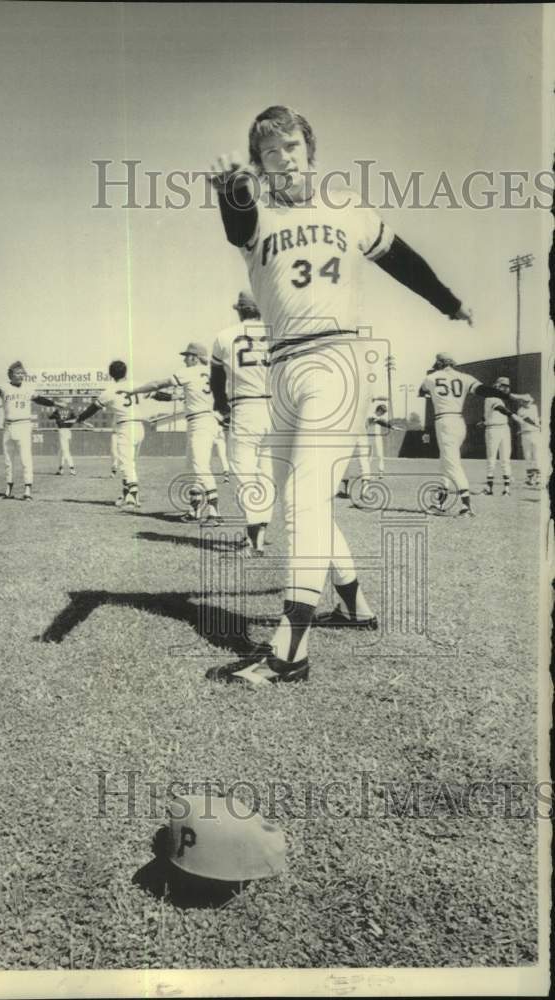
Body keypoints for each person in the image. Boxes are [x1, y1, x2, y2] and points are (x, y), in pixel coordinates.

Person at [209, 104, 475, 687]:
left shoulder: (348, 211)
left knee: (307, 497)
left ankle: (290, 651)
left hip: (336, 359)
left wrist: (448, 301)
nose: (284, 159)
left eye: (292, 147)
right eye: (270, 153)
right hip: (282, 370)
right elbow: (236, 222)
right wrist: (228, 186)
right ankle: (354, 603)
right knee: (292, 501)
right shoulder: (256, 220)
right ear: (260, 165)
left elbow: (403, 260)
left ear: (310, 152)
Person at [419, 354, 528, 515]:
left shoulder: (431, 377)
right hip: (459, 422)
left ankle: (466, 506)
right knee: (445, 463)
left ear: (438, 363)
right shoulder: (465, 377)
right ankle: (440, 504)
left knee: (452, 464)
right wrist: (513, 396)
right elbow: (486, 391)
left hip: (444, 422)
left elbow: (422, 392)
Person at [126, 343, 223, 524]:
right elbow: (180, 396)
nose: (184, 359)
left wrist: (135, 390)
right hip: (208, 420)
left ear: (195, 357)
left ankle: (214, 512)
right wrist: (157, 396)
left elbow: (158, 383)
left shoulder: (189, 372)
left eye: (187, 356)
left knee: (200, 467)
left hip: (200, 422)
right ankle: (194, 511)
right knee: (193, 468)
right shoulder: (212, 372)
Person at [210, 290, 273, 556]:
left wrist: (223, 409)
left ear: (239, 310)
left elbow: (216, 381)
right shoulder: (278, 331)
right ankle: (261, 535)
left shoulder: (224, 336)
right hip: (276, 408)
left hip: (245, 407)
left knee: (243, 471)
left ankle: (252, 538)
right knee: (268, 473)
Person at [74, 360, 150, 509]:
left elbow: (92, 408)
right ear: (125, 372)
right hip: (140, 427)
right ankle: (126, 493)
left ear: (111, 374)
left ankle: (132, 497)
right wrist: (175, 397)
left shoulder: (109, 390)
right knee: (130, 463)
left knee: (126, 463)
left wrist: (79, 419)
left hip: (126, 427)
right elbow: (156, 394)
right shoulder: (137, 384)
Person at [0, 361, 56, 501]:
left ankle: (27, 490)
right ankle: (8, 490)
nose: (20, 375)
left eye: (21, 373)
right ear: (11, 374)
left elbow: (40, 399)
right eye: (17, 373)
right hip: (8, 426)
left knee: (26, 458)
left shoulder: (28, 388)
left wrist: (55, 403)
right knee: (8, 460)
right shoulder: (4, 387)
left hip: (23, 425)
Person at [479, 376, 513, 495]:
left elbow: (489, 413)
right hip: (493, 429)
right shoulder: (491, 397)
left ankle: (507, 489)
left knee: (505, 459)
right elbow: (500, 409)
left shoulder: (498, 398)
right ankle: (489, 488)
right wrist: (513, 416)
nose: (505, 388)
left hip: (504, 428)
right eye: (502, 386)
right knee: (492, 459)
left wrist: (483, 420)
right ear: (496, 386)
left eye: (506, 386)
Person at [512, 394, 542, 488]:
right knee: (528, 456)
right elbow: (527, 419)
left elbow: (535, 419)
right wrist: (537, 425)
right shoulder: (520, 410)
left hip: (535, 434)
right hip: (525, 434)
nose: (527, 403)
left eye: (528, 401)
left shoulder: (534, 407)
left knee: (537, 456)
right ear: (522, 402)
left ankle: (538, 478)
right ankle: (530, 478)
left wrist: (538, 425)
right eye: (524, 401)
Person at [50, 401, 77, 476]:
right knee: (61, 451)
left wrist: (57, 414)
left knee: (65, 450)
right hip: (68, 431)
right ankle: (60, 469)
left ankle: (72, 469)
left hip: (62, 430)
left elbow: (50, 417)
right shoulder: (70, 410)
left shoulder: (58, 410)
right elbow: (75, 419)